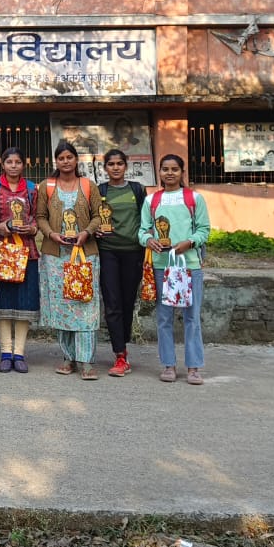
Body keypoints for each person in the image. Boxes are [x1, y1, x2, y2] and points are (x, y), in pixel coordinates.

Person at [140, 153, 211, 385]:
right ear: (159, 172)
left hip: (190, 266)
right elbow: (143, 230)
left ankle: (193, 367)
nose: (169, 173)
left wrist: (189, 243)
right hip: (162, 266)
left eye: (174, 169)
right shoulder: (151, 200)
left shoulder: (194, 198)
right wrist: (149, 240)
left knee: (192, 317)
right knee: (164, 317)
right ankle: (168, 365)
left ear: (182, 172)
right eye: (165, 169)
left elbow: (204, 230)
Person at [36, 139, 103, 380]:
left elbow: (98, 216)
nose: (65, 161)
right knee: (62, 305)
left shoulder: (88, 185)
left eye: (69, 157)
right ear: (56, 161)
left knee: (85, 304)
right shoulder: (46, 186)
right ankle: (68, 357)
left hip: (84, 254)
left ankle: (86, 360)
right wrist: (51, 234)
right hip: (56, 255)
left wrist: (86, 232)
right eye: (61, 158)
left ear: (76, 160)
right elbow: (40, 216)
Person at [0, 146, 39, 373]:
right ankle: (6, 352)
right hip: (1, 253)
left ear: (24, 165)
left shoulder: (32, 189)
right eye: (9, 162)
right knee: (4, 303)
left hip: (27, 253)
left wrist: (32, 228)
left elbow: (38, 218)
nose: (14, 166)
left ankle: (20, 353)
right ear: (2, 164)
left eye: (18, 162)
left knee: (24, 303)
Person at [96, 148, 147, 377]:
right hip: (108, 252)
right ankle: (120, 354)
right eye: (111, 164)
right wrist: (96, 230)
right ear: (105, 168)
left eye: (119, 163)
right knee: (112, 303)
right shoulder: (100, 191)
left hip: (133, 252)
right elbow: (93, 218)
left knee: (127, 302)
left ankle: (123, 344)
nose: (115, 167)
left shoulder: (137, 190)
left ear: (126, 166)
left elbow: (146, 219)